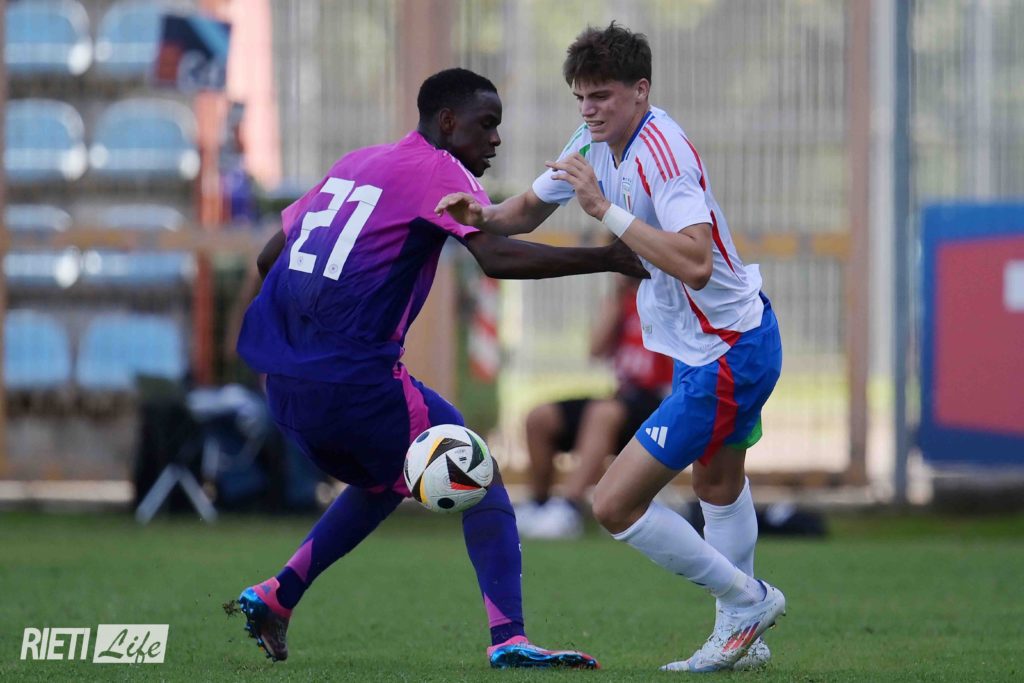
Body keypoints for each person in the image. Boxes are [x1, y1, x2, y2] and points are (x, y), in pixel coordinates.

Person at [233, 67, 645, 669]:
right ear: (447, 123)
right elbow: (496, 257)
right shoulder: (439, 168)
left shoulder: (356, 163)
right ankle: (510, 638)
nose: (495, 139)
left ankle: (278, 594)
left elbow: (272, 255)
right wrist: (608, 257)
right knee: (477, 470)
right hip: (353, 380)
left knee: (389, 477)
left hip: (283, 381)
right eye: (487, 124)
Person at [436, 23, 785, 673]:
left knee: (614, 503)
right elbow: (528, 209)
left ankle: (749, 601)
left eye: (601, 96)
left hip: (730, 350)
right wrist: (481, 214)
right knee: (716, 484)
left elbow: (696, 263)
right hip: (715, 345)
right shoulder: (591, 141)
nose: (588, 109)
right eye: (580, 97)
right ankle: (744, 637)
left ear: (640, 91)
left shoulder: (665, 154)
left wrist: (604, 211)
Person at [517, 274, 673, 539]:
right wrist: (616, 300)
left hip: (661, 400)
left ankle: (569, 508)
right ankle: (539, 506)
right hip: (622, 395)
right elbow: (596, 349)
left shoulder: (671, 299)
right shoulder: (622, 302)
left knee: (603, 413)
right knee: (540, 418)